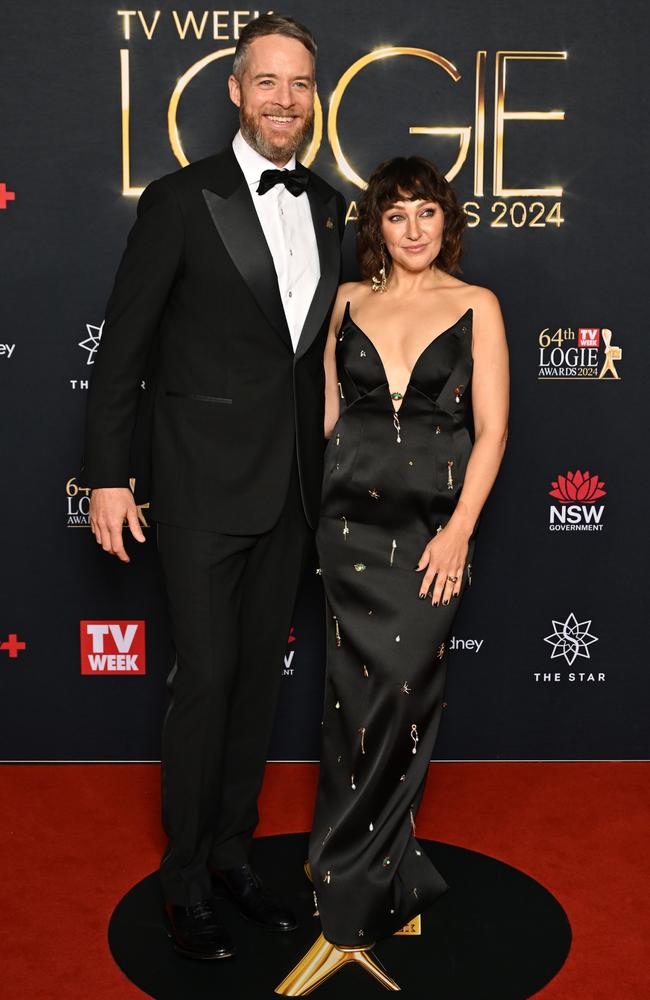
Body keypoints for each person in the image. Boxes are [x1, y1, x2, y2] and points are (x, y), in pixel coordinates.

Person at [82, 14, 345, 961]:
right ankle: (184, 878)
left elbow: (312, 355)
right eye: (268, 81)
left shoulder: (327, 205)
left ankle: (235, 856)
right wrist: (107, 477)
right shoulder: (180, 200)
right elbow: (124, 351)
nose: (286, 100)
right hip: (196, 488)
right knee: (206, 682)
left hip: (292, 492)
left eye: (302, 84)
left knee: (253, 695)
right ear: (235, 90)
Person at [276, 156, 509, 995]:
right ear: (375, 225)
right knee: (349, 703)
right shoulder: (345, 303)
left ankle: (356, 880)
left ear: (448, 223)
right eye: (397, 215)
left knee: (403, 700)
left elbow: (489, 435)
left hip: (427, 539)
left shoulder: (478, 307)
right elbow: (330, 419)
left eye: (427, 214)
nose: (413, 230)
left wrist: (457, 534)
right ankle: (368, 882)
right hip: (348, 530)